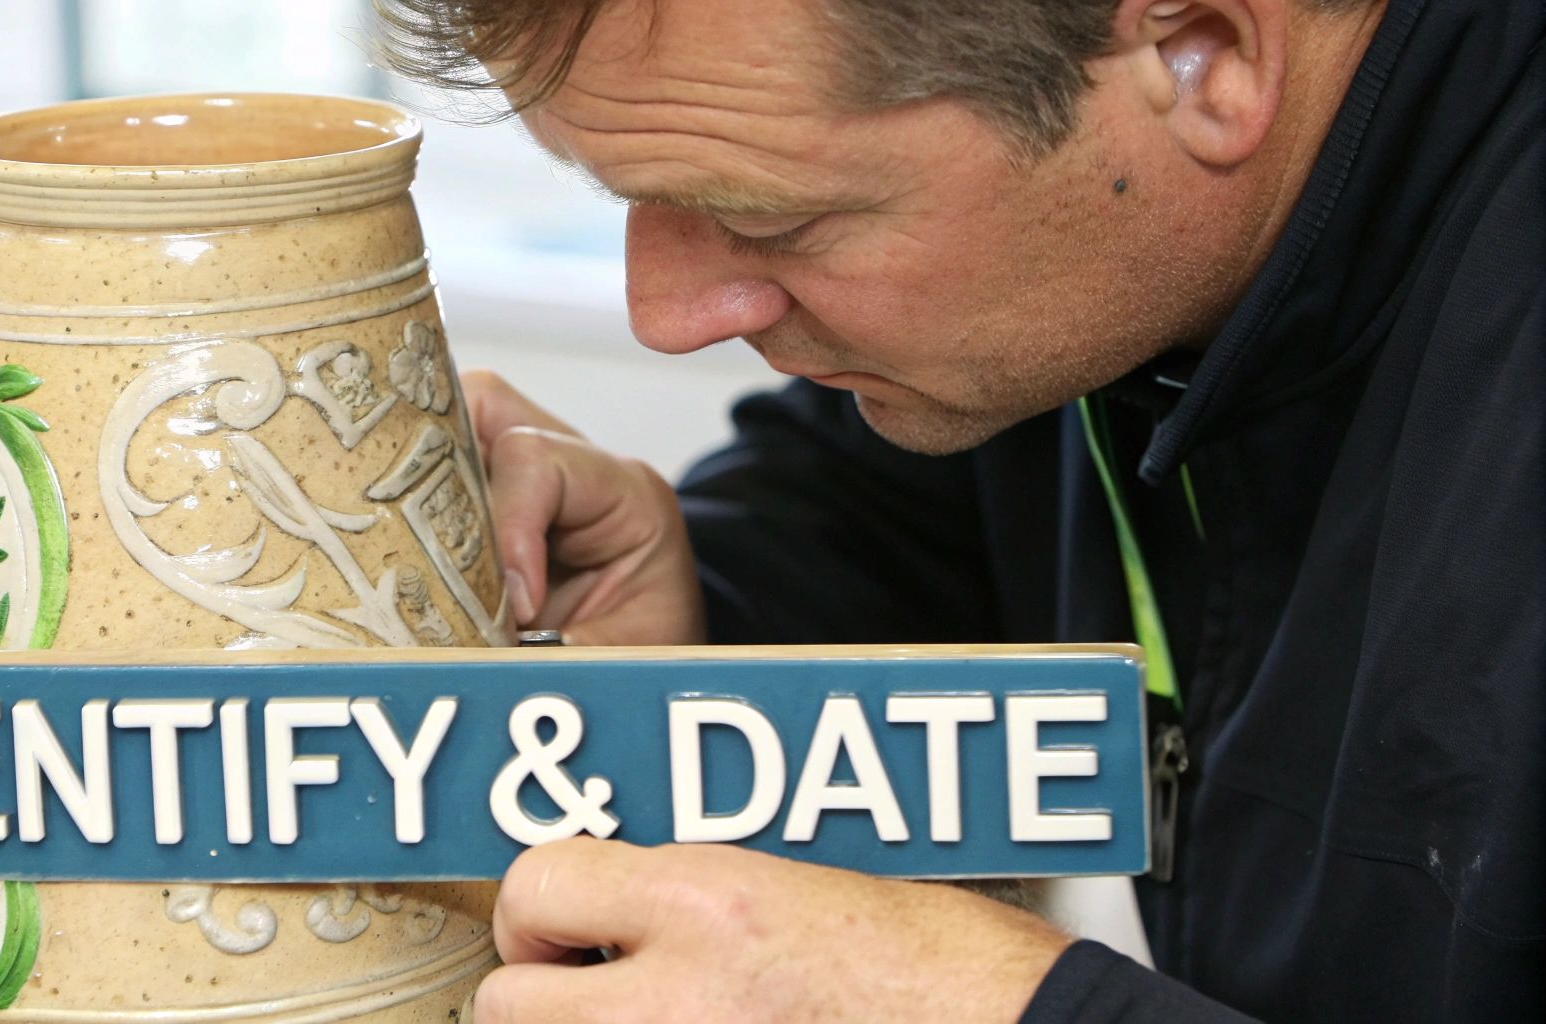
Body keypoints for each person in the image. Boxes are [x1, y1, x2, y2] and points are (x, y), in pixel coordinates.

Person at [375, 0, 1544, 1019]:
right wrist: (699, 627)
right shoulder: (1070, 307)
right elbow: (888, 513)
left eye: (769, 221)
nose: (665, 313)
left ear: (1203, 56)